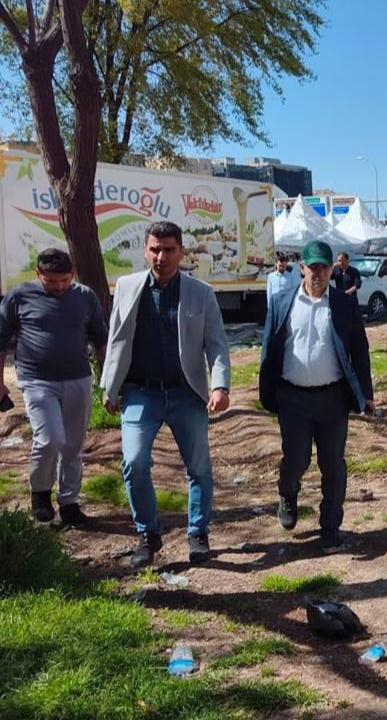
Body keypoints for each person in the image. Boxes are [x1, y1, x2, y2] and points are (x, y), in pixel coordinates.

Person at [101, 221, 231, 568]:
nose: (161, 257)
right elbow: (116, 339)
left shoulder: (200, 293)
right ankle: (147, 533)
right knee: (134, 461)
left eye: (169, 250)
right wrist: (109, 386)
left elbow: (216, 345)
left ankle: (197, 532)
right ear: (146, 250)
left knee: (199, 467)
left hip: (186, 393)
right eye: (155, 249)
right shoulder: (128, 287)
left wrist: (220, 385)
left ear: (181, 252)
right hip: (140, 393)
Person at [260, 240, 373, 553]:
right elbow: (269, 347)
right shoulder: (282, 301)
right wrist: (267, 390)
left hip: (332, 398)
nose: (318, 273)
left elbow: (360, 351)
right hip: (292, 398)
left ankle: (330, 526)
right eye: (313, 267)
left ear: (332, 269)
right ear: (301, 268)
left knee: (332, 464)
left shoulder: (344, 305)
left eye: (324, 267)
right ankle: (288, 494)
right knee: (296, 460)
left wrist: (366, 393)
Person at [0, 249, 107, 526]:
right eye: (51, 281)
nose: (59, 287)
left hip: (78, 379)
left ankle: (70, 503)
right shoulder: (19, 296)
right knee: (49, 439)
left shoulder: (85, 297)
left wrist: (108, 380)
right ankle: (41, 494)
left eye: (65, 281)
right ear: (39, 274)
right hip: (36, 380)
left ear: (72, 275)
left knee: (72, 444)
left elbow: (100, 339)